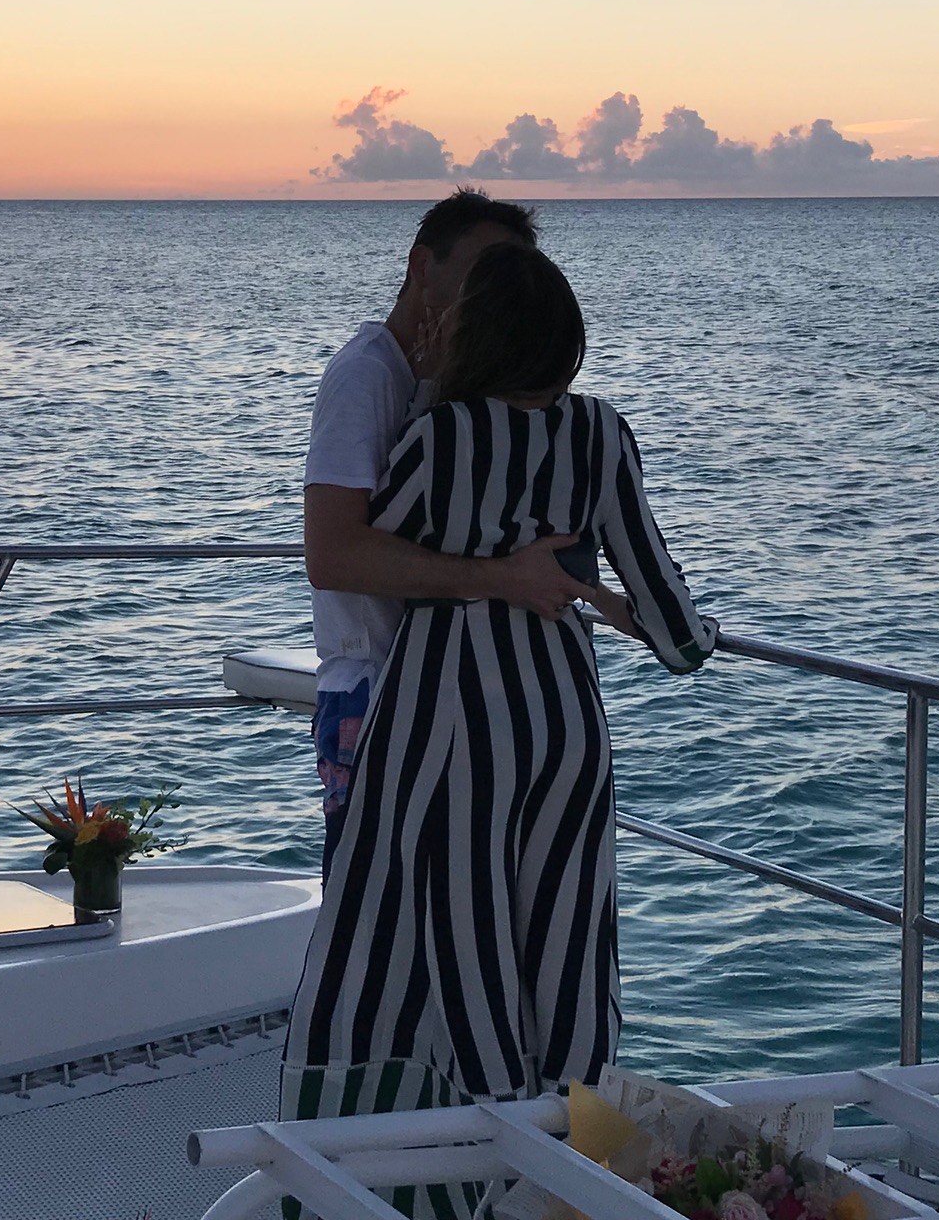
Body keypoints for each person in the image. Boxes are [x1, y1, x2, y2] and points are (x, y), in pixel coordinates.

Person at [283, 242, 717, 1214]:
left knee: (461, 957)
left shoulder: (437, 438)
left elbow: (365, 550)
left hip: (442, 719)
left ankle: (480, 1182)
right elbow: (673, 628)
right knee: (567, 948)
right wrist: (673, 629)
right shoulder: (602, 435)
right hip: (563, 721)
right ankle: (574, 1166)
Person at [304, 189, 588, 881]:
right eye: (482, 273)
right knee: (375, 911)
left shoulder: (451, 388)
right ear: (421, 266)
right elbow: (333, 554)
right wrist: (505, 580)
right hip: (380, 693)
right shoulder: (367, 377)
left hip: (451, 695)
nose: (497, 297)